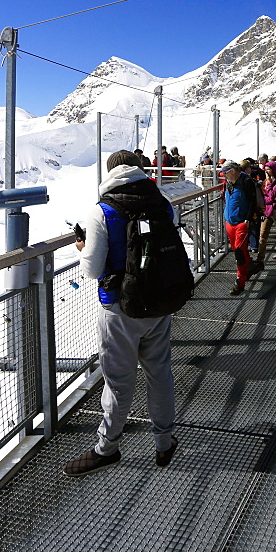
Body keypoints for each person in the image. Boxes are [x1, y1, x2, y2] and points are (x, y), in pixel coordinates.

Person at [63, 150, 178, 477]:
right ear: (140, 171)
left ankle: (107, 448)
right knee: (160, 373)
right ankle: (164, 443)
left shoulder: (103, 211)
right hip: (159, 302)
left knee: (118, 381)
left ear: (111, 173)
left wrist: (84, 249)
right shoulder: (162, 203)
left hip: (119, 308)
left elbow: (92, 269)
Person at [221, 161, 256, 294]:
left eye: (226, 171)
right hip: (230, 222)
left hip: (241, 222)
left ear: (234, 170)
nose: (224, 174)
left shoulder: (246, 182)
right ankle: (250, 266)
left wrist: (248, 219)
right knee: (237, 248)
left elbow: (253, 201)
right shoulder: (228, 183)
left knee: (239, 253)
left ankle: (240, 282)